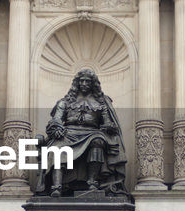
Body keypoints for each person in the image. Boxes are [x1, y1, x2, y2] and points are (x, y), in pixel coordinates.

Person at [36, 68, 128, 197]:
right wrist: (57, 128)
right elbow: (56, 120)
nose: (84, 84)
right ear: (77, 83)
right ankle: (56, 187)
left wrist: (109, 127)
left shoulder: (101, 103)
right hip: (68, 133)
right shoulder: (65, 101)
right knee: (56, 148)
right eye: (82, 81)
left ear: (92, 84)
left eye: (87, 81)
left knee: (98, 141)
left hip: (92, 133)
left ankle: (92, 182)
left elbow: (109, 123)